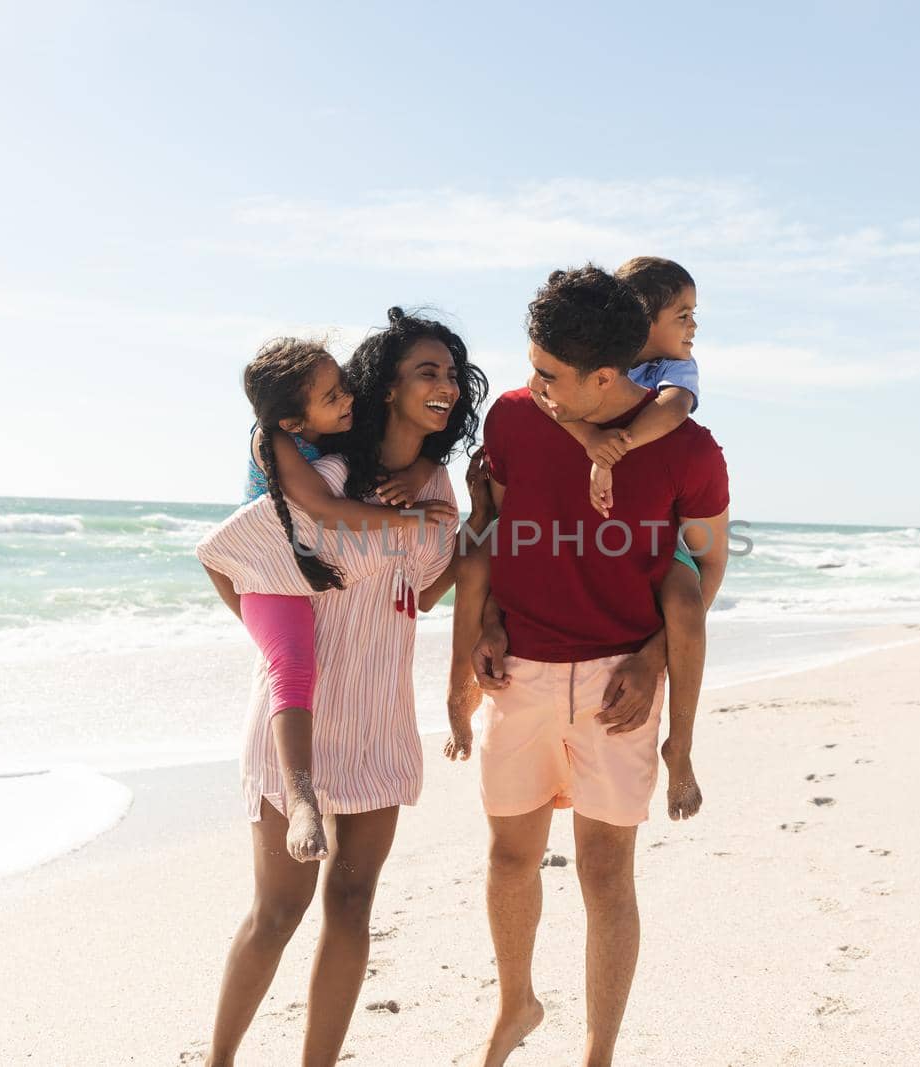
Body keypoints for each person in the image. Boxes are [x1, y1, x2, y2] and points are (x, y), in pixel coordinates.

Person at [448, 266, 730, 1067]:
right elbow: (493, 526)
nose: (531, 384)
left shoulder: (692, 448)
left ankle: (598, 1054)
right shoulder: (511, 415)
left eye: (548, 374)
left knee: (607, 874)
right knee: (510, 857)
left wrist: (653, 659)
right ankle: (517, 1004)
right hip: (520, 675)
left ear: (603, 377)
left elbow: (706, 571)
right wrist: (490, 617)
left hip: (619, 689)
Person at [196, 308, 489, 1067]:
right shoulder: (320, 480)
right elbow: (223, 555)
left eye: (453, 374)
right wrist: (274, 649)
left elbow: (421, 594)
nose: (447, 386)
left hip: (382, 722)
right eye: (428, 370)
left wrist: (479, 525)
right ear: (386, 386)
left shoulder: (439, 490)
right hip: (300, 717)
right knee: (278, 911)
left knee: (353, 905)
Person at [235, 337, 457, 862]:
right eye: (334, 394)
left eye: (343, 388)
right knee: (290, 663)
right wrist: (406, 519)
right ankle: (300, 795)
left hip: (371, 710)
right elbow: (319, 509)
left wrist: (427, 474)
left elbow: (421, 592)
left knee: (354, 898)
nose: (347, 400)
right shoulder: (283, 447)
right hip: (272, 585)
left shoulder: (343, 444)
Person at [549, 256, 710, 821]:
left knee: (686, 606)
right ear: (642, 319)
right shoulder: (596, 361)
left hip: (657, 533)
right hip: (586, 536)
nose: (693, 327)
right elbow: (539, 385)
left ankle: (681, 744)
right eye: (683, 315)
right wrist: (586, 433)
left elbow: (672, 411)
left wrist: (615, 448)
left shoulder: (675, 372)